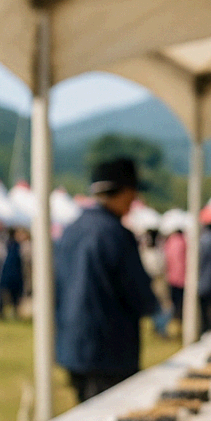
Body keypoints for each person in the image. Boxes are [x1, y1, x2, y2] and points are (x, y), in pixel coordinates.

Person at [55, 157, 159, 402]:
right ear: (123, 193)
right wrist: (154, 308)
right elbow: (137, 292)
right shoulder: (116, 234)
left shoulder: (71, 229)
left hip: (73, 345)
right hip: (110, 349)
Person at [0, 227, 25, 319]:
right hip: (12, 274)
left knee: (7, 295)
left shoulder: (7, 245)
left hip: (8, 274)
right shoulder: (14, 245)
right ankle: (7, 313)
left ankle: (3, 313)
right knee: (11, 295)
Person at [164, 226, 188, 332]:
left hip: (172, 277)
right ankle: (180, 322)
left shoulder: (170, 242)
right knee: (181, 303)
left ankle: (176, 322)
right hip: (183, 277)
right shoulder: (184, 241)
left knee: (174, 301)